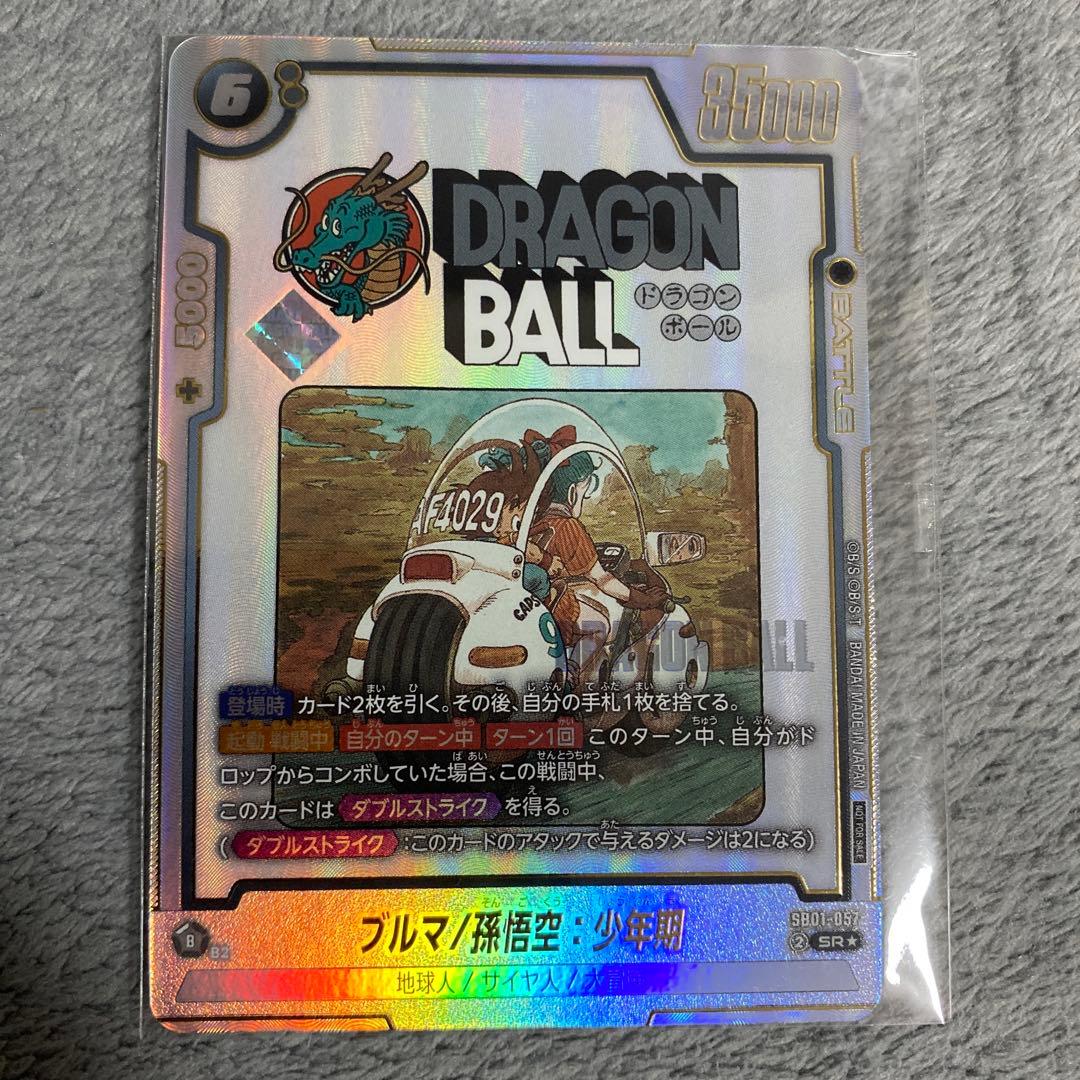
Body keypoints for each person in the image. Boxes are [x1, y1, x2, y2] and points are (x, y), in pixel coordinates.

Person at [528, 447, 668, 676]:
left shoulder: (533, 524)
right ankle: (570, 675)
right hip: (553, 606)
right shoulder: (568, 527)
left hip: (532, 601)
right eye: (586, 488)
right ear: (572, 492)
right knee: (599, 626)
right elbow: (602, 579)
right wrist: (641, 599)